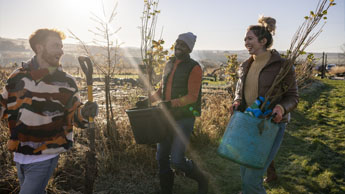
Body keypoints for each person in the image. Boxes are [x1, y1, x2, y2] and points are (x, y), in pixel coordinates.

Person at [0, 28, 98, 194]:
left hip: (46, 152)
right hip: (20, 152)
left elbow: (75, 116)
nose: (61, 51)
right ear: (39, 47)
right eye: (56, 46)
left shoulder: (66, 81)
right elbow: (3, 106)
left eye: (61, 46)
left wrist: (86, 113)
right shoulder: (17, 76)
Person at [229, 16, 298, 194]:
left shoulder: (283, 66)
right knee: (245, 173)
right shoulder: (245, 66)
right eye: (245, 39)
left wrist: (281, 108)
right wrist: (237, 101)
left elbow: (292, 96)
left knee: (252, 180)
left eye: (250, 39)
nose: (246, 42)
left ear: (263, 41)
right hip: (247, 122)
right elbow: (240, 90)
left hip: (269, 125)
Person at [136, 32, 208, 194]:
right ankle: (166, 189)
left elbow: (192, 97)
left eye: (183, 45)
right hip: (166, 117)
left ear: (189, 49)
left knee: (177, 160)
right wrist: (149, 100)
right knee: (161, 157)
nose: (179, 47)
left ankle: (202, 178)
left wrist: (170, 104)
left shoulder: (194, 67)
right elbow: (162, 90)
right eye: (178, 43)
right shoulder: (169, 64)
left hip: (184, 118)